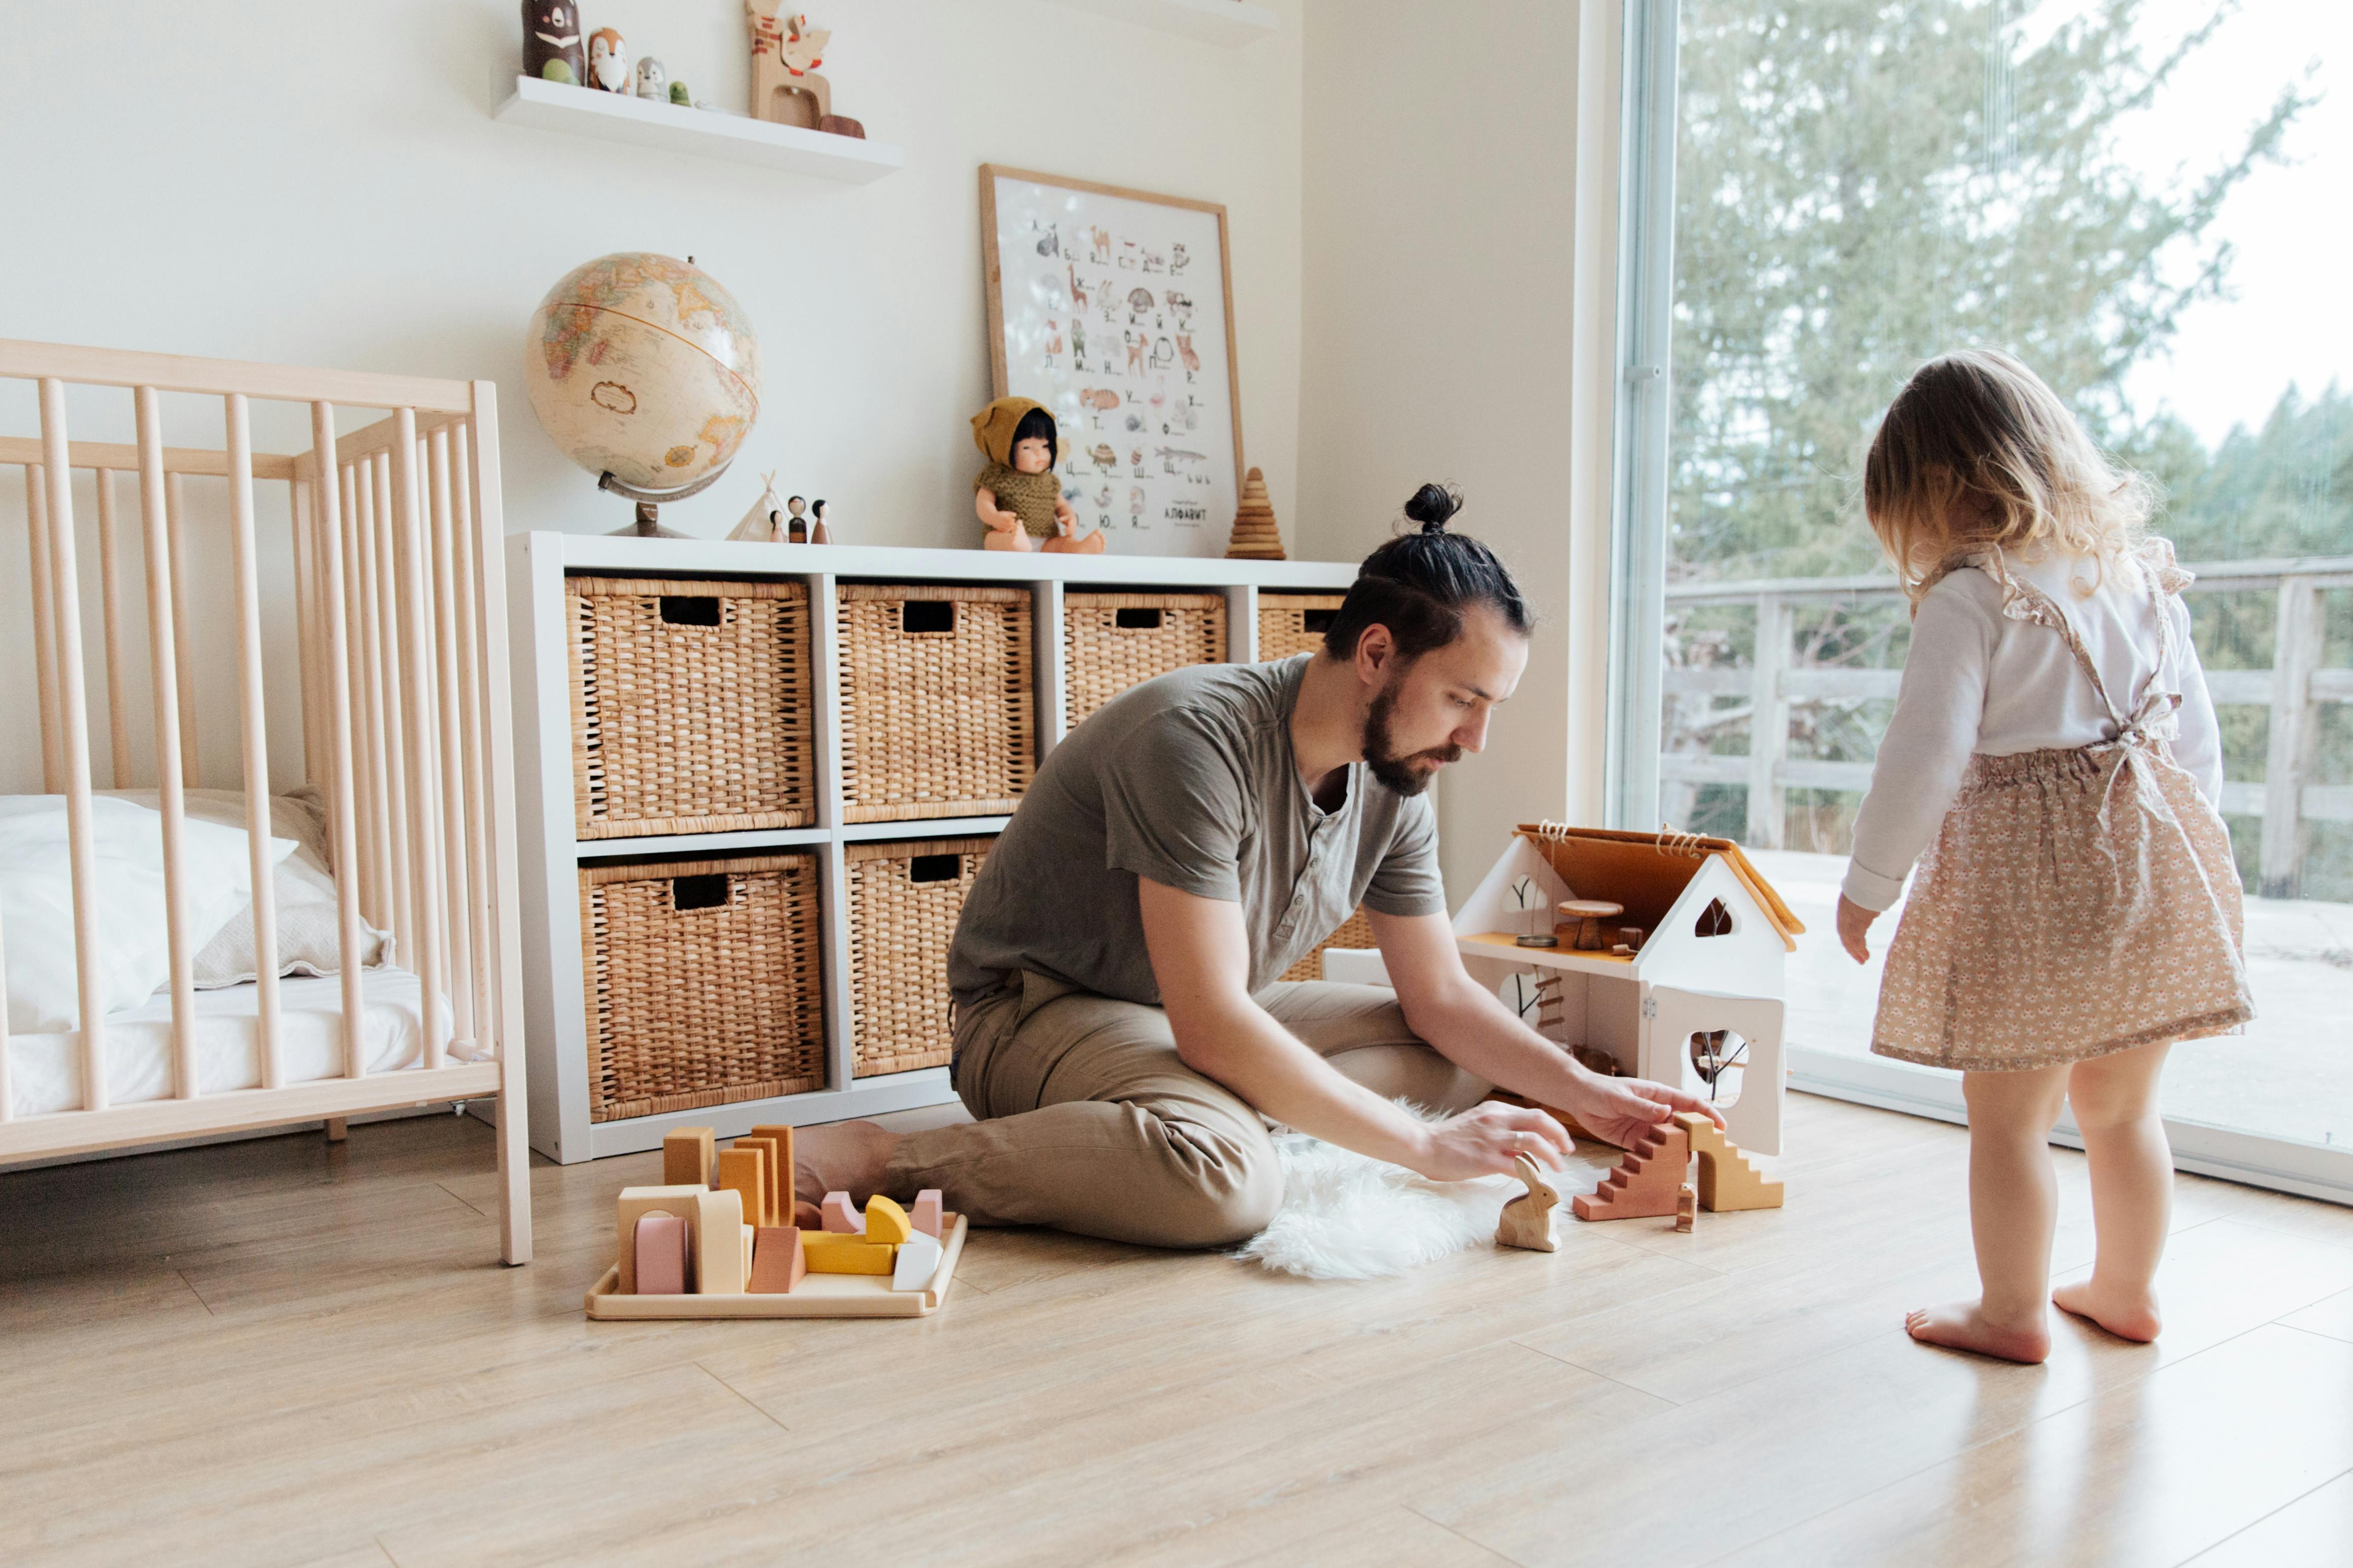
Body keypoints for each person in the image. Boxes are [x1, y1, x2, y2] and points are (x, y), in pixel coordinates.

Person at [796, 484, 1721, 1247]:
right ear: (1374, 654)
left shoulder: (1394, 780)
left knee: (1450, 1064)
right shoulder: (1191, 740)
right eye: (1461, 700)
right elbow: (1209, 1022)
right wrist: (1420, 1152)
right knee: (1229, 1186)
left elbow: (1440, 996)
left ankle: (1217, 1115)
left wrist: (1594, 1095)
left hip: (1196, 1010)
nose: (1475, 739)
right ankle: (895, 1159)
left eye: (1492, 708)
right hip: (1039, 1009)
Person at [1835, 350, 2253, 1363]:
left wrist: (1867, 887)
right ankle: (2125, 1289)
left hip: (2031, 891)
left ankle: (2012, 1311)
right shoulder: (2141, 579)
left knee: (2009, 1117)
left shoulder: (1972, 596)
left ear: (1938, 491)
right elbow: (2196, 753)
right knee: (2121, 1108)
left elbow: (1922, 758)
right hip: (2153, 866)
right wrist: (2203, 863)